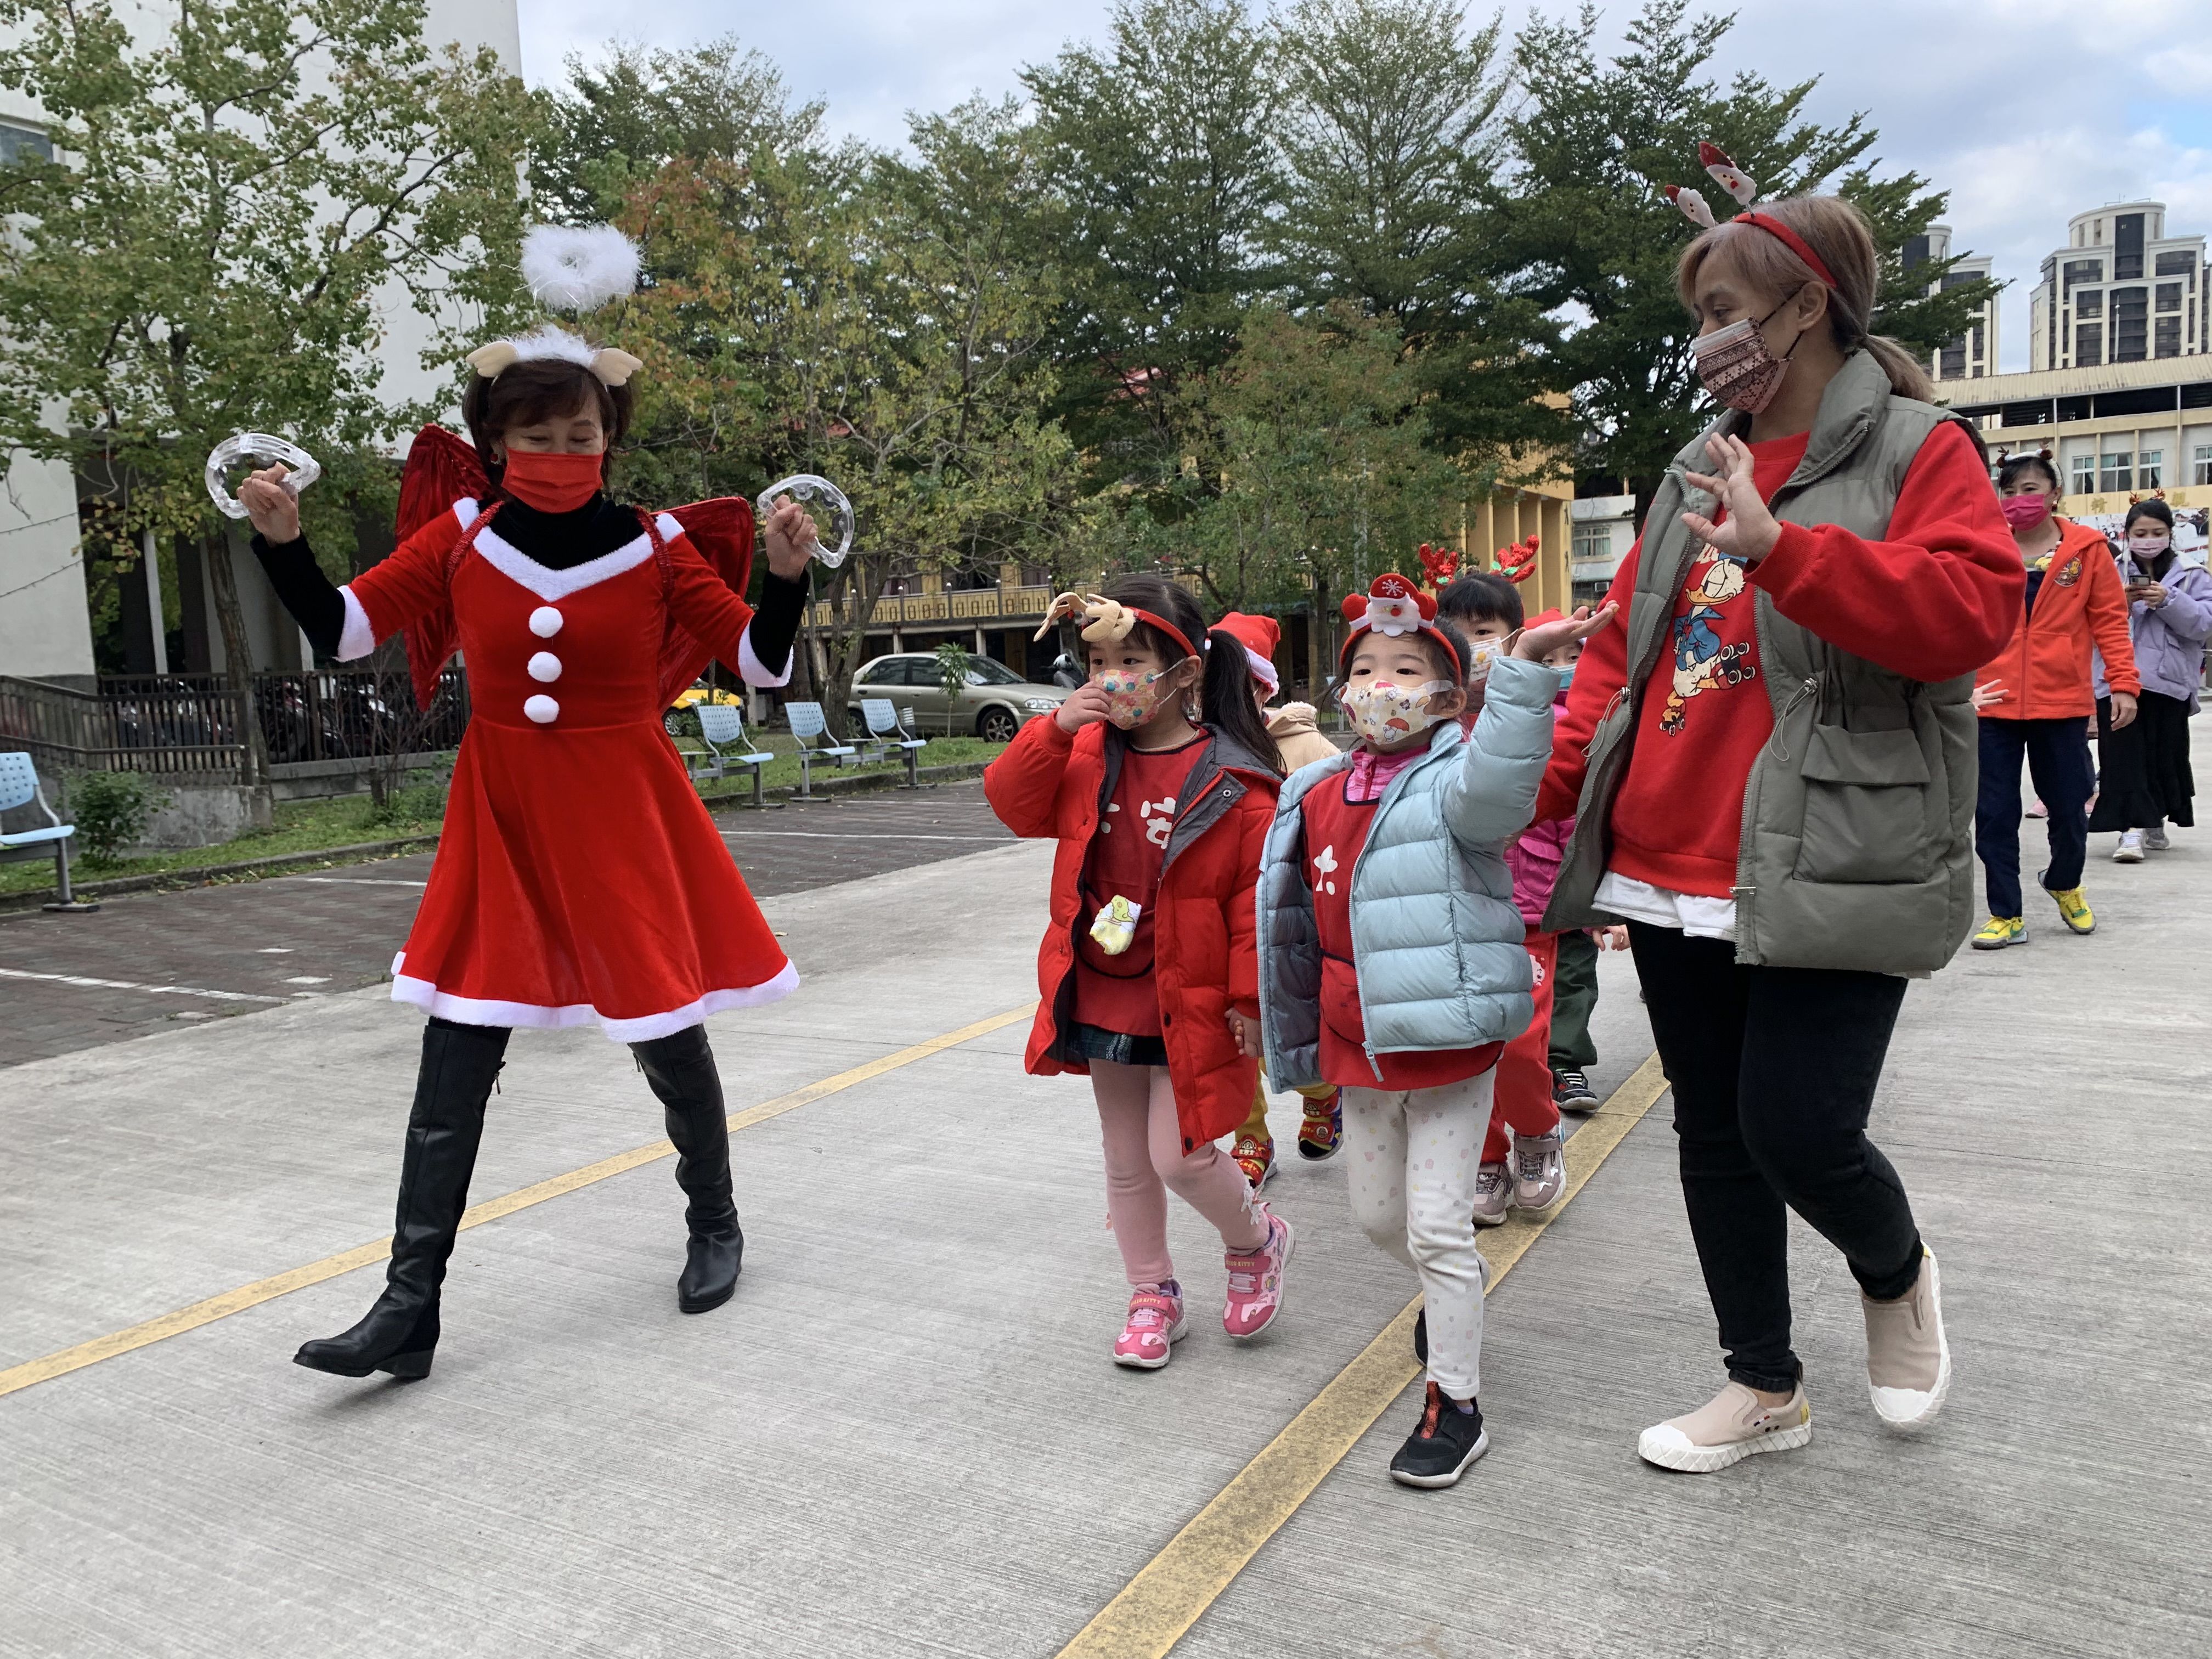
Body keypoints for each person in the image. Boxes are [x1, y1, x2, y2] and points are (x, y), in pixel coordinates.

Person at [237, 313, 819, 1382]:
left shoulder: (656, 545)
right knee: (456, 1050)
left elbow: (758, 663)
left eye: (580, 433)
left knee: (663, 1029)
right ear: (498, 440)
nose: (559, 454)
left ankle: (715, 1222)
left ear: (609, 438)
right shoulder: (461, 533)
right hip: (500, 819)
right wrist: (284, 546)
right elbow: (347, 628)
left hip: (621, 815)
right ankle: (408, 1307)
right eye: (536, 435)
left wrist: (786, 576)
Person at [1541, 190, 2021, 1471]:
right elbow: (1626, 658)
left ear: (1808, 304)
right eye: (1700, 318)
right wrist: (1552, 796)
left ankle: (1895, 1267)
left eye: (1723, 311)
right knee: (1711, 1130)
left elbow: (1975, 616)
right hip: (1672, 857)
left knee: (1799, 1127)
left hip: (1839, 850)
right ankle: (1763, 1386)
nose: (1707, 341)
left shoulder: (1922, 449)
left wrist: (1785, 552)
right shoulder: (1696, 466)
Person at [1256, 572, 1611, 1488]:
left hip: (1448, 1046)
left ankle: (1456, 1399)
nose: (1382, 684)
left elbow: (1503, 788)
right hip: (1358, 1046)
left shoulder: (1458, 782)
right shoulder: (1317, 789)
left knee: (1440, 1231)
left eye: (1406, 668)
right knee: (1381, 1219)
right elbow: (1291, 917)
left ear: (1451, 695)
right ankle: (1444, 1303)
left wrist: (1526, 674)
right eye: (1366, 667)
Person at [984, 577, 1291, 1371]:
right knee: (1124, 1158)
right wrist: (1053, 730)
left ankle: (1254, 1240)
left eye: (1131, 659)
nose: (1111, 675)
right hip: (1103, 985)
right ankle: (1151, 1291)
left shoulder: (1235, 783)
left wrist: (1251, 998)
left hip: (1190, 999)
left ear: (1185, 673)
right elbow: (1015, 807)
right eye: (1097, 660)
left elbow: (1253, 904)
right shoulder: (1086, 752)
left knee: (1179, 1155)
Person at [1968, 454, 2138, 946]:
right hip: (1992, 702)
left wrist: (2123, 683)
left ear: (2054, 494)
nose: (2018, 501)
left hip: (2061, 702)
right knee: (1994, 814)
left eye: (2029, 489)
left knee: (2069, 807)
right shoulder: (1985, 546)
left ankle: (2064, 882)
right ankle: (2006, 912)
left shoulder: (2087, 551)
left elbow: (2109, 619)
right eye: (2010, 491)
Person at [1213, 611, 1345, 1185]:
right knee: (1235, 1039)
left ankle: (1322, 1095)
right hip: (1220, 918)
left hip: (1290, 916)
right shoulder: (1196, 746)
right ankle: (1251, 1138)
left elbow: (1335, 824)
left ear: (1264, 687)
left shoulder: (1308, 745)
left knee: (1287, 1026)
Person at [2091, 499, 2208, 860]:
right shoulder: (2108, 571)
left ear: (2170, 534)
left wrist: (2169, 599)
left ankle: (2153, 819)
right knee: (2123, 756)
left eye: (2157, 533)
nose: (2148, 540)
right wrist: (2117, 603)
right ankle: (2130, 830)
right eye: (2140, 534)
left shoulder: (2192, 574)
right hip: (2118, 679)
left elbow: (2204, 624)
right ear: (2128, 535)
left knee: (2163, 755)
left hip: (2168, 682)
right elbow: (2087, 623)